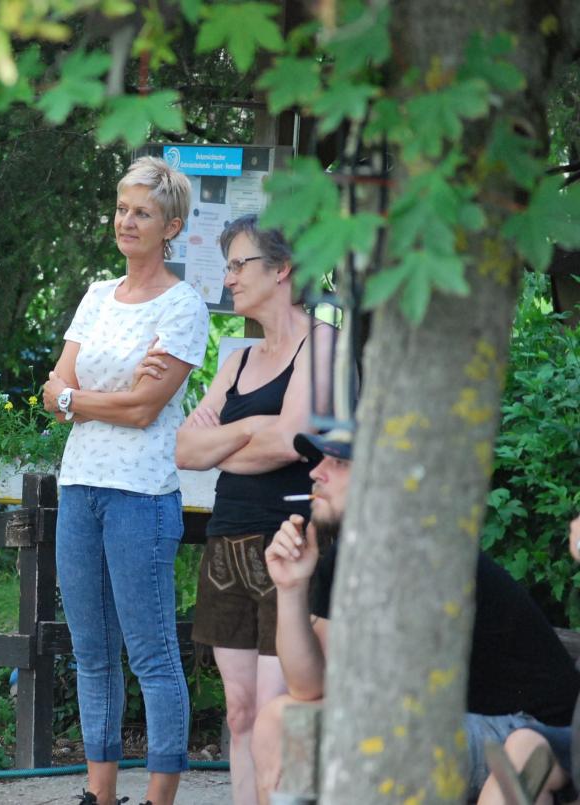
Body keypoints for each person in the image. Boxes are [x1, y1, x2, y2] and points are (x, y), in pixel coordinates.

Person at [254, 430, 580, 804]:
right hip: (447, 723)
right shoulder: (350, 555)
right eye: (321, 459)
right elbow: (308, 689)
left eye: (339, 462)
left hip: (527, 728)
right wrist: (291, 588)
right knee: (279, 720)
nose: (316, 472)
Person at [136, 214, 332, 805]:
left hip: (287, 545)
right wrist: (251, 427)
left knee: (275, 710)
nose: (228, 279)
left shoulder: (321, 345)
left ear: (283, 269)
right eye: (227, 267)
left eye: (239, 265)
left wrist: (227, 441)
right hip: (227, 544)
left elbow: (291, 441)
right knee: (241, 711)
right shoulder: (239, 362)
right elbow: (184, 450)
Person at [40, 156, 210, 805]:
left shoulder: (183, 305)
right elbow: (54, 389)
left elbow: (143, 410)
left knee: (152, 654)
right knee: (91, 652)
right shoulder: (96, 296)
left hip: (142, 495)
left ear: (171, 227)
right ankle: (100, 794)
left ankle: (159, 797)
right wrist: (83, 397)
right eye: (121, 208)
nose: (127, 221)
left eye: (142, 212)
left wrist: (77, 399)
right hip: (80, 486)